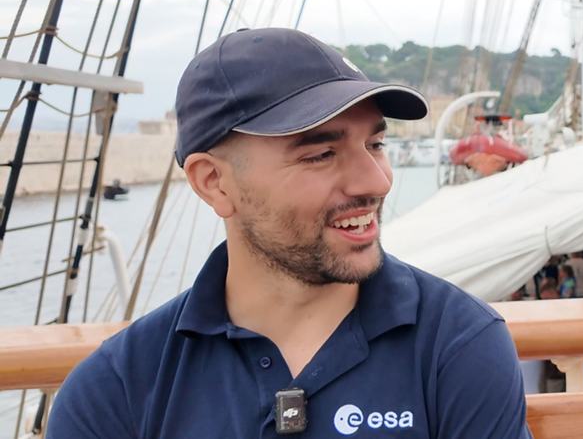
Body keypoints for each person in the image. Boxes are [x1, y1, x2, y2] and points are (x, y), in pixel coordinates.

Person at [49, 28, 531, 438]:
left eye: (375, 144)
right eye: (321, 154)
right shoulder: (116, 391)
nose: (376, 182)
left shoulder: (458, 346)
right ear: (214, 182)